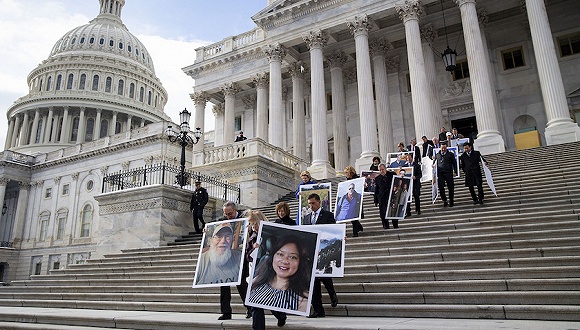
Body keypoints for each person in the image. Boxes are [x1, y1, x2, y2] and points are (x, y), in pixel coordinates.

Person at [244, 210, 288, 329]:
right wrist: (254, 250)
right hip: (255, 272)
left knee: (268, 298)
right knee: (255, 304)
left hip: (269, 272)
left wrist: (262, 248)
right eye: (252, 225)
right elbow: (247, 256)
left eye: (256, 224)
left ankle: (280, 315)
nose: (254, 227)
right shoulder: (252, 238)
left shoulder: (272, 235)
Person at [248, 234, 311, 313]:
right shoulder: (256, 281)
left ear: (300, 262)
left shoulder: (303, 298)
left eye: (292, 257)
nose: (284, 261)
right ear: (273, 257)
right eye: (280, 254)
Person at [304, 193, 338, 318]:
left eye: (313, 203)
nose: (311, 206)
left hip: (324, 250)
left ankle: (332, 293)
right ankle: (318, 310)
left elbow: (334, 232)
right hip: (311, 253)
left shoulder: (328, 215)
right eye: (309, 204)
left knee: (325, 276)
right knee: (314, 282)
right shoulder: (306, 218)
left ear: (318, 202)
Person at [217, 201, 252, 320]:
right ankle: (226, 312)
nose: (227, 216)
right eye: (225, 214)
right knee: (224, 284)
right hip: (226, 257)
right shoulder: (221, 221)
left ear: (235, 210)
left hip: (240, 256)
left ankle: (250, 308)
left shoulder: (245, 218)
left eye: (230, 213)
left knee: (241, 283)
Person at [342, 166, 364, 237]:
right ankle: (359, 227)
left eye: (346, 173)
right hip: (350, 200)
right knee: (352, 217)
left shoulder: (357, 179)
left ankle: (355, 232)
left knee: (354, 216)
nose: (345, 174)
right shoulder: (347, 180)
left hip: (356, 200)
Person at [433, 141, 457, 207]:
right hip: (440, 174)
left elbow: (454, 163)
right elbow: (434, 163)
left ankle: (451, 200)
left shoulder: (450, 154)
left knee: (451, 187)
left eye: (444, 148)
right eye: (442, 148)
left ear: (446, 148)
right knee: (441, 188)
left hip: (448, 173)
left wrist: (455, 171)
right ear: (440, 148)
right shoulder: (437, 155)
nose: (443, 149)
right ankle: (445, 200)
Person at [374, 164, 395, 229]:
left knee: (393, 211)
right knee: (383, 213)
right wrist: (376, 200)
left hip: (391, 196)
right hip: (382, 197)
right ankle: (385, 225)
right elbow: (376, 190)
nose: (381, 171)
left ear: (385, 168)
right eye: (380, 170)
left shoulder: (392, 174)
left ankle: (395, 224)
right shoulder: (377, 178)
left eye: (382, 169)